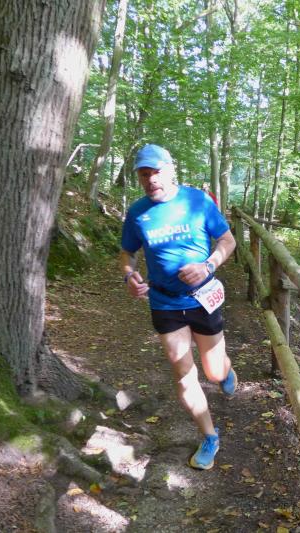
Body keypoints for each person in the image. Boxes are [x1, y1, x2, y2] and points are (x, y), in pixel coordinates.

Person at [119, 144, 237, 470]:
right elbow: (127, 253)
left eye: (156, 172)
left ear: (170, 171)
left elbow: (227, 241)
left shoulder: (197, 201)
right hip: (164, 302)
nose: (151, 180)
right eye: (144, 174)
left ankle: (225, 371)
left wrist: (208, 265)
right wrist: (129, 275)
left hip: (202, 297)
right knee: (184, 376)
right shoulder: (138, 212)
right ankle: (210, 436)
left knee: (214, 372)